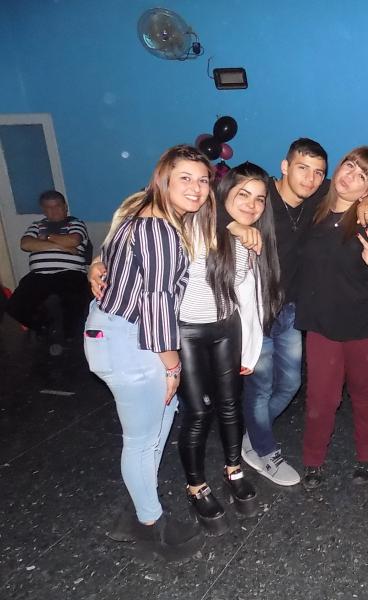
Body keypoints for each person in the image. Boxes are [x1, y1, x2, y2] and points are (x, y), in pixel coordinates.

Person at [83, 144, 214, 560]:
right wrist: (173, 366)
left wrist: (94, 266)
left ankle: (141, 506)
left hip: (120, 334)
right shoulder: (158, 229)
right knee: (141, 439)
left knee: (159, 424)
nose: (196, 188)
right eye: (185, 178)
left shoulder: (141, 213)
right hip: (130, 340)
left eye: (203, 180)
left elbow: (113, 261)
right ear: (164, 180)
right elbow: (157, 304)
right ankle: (150, 525)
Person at [241, 139, 368, 487]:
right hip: (260, 313)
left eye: (318, 172)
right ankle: (265, 448)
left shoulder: (325, 201)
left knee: (291, 384)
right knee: (268, 389)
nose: (310, 178)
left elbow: (358, 186)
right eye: (302, 168)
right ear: (284, 166)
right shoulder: (264, 198)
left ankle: (252, 431)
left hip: (298, 311)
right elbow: (218, 209)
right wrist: (233, 225)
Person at [176, 162, 283, 534]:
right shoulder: (194, 224)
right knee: (198, 412)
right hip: (186, 331)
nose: (252, 205)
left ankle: (233, 469)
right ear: (223, 194)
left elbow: (247, 301)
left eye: (260, 199)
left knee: (229, 404)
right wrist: (229, 223)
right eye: (243, 195)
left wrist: (250, 349)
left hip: (226, 329)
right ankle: (195, 486)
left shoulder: (252, 240)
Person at [294, 147, 368, 490]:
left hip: (367, 324)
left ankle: (367, 455)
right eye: (349, 166)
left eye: (362, 177)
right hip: (323, 323)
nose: (350, 177)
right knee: (321, 398)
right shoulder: (316, 203)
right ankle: (313, 461)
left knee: (364, 393)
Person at [7, 190, 89, 340]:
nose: (54, 210)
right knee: (14, 306)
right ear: (43, 210)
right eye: (49, 207)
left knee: (75, 300)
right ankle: (44, 327)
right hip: (39, 275)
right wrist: (62, 246)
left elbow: (73, 241)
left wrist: (46, 237)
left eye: (57, 206)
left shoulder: (75, 223)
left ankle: (72, 338)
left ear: (65, 207)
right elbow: (25, 244)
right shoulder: (36, 226)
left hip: (70, 273)